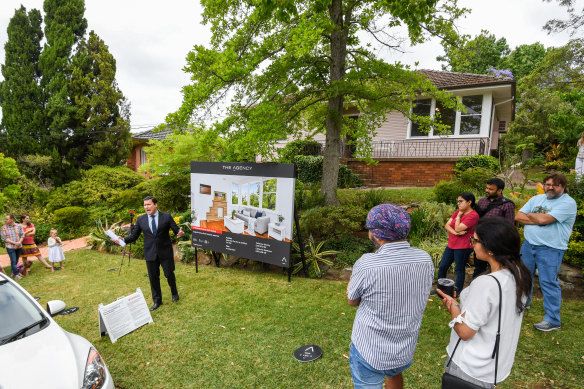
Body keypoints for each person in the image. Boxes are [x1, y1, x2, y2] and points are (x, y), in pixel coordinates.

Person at [347, 203, 434, 389]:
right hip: (404, 348)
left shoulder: (367, 264)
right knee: (394, 373)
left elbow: (352, 300)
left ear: (376, 234)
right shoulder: (425, 259)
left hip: (369, 349)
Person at [437, 218, 532, 388]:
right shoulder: (519, 274)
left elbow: (465, 332)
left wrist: (453, 306)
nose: (472, 243)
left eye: (475, 240)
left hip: (471, 366)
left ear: (491, 249)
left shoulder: (487, 284)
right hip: (495, 364)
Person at [515, 173, 577, 331]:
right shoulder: (537, 199)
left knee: (548, 282)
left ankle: (553, 320)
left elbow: (544, 220)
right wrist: (537, 218)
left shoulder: (568, 203)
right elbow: (518, 216)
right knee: (524, 277)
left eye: (555, 185)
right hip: (529, 245)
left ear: (562, 187)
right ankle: (523, 303)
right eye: (548, 184)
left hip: (551, 248)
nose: (550, 187)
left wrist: (535, 217)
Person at [114, 196, 184, 311]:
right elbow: (134, 236)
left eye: (149, 204)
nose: (146, 207)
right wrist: (123, 240)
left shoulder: (166, 216)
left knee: (169, 274)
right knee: (153, 278)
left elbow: (177, 230)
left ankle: (174, 293)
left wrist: (180, 233)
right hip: (150, 253)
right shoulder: (141, 219)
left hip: (165, 252)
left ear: (155, 205)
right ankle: (157, 301)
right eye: (145, 205)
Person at [473, 178, 516, 278]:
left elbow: (509, 225)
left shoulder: (507, 204)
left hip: (495, 241)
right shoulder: (482, 201)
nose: (487, 190)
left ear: (499, 190)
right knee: (479, 266)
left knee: (494, 266)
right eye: (487, 188)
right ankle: (476, 285)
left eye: (491, 189)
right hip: (480, 239)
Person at [437, 192, 480, 293]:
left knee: (459, 269)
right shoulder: (458, 212)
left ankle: (457, 291)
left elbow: (457, 227)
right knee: (443, 266)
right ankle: (440, 289)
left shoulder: (473, 215)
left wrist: (458, 218)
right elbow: (447, 226)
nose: (458, 203)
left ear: (469, 202)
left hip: (463, 246)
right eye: (457, 201)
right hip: (451, 244)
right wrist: (456, 233)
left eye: (461, 201)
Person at [1, 215, 25, 280]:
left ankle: (13, 272)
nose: (5, 220)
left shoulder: (19, 226)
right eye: (5, 219)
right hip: (10, 247)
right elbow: (4, 239)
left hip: (19, 246)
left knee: (16, 260)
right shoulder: (3, 228)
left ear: (12, 219)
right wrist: (15, 243)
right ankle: (16, 275)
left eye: (7, 219)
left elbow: (22, 235)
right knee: (13, 260)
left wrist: (19, 243)